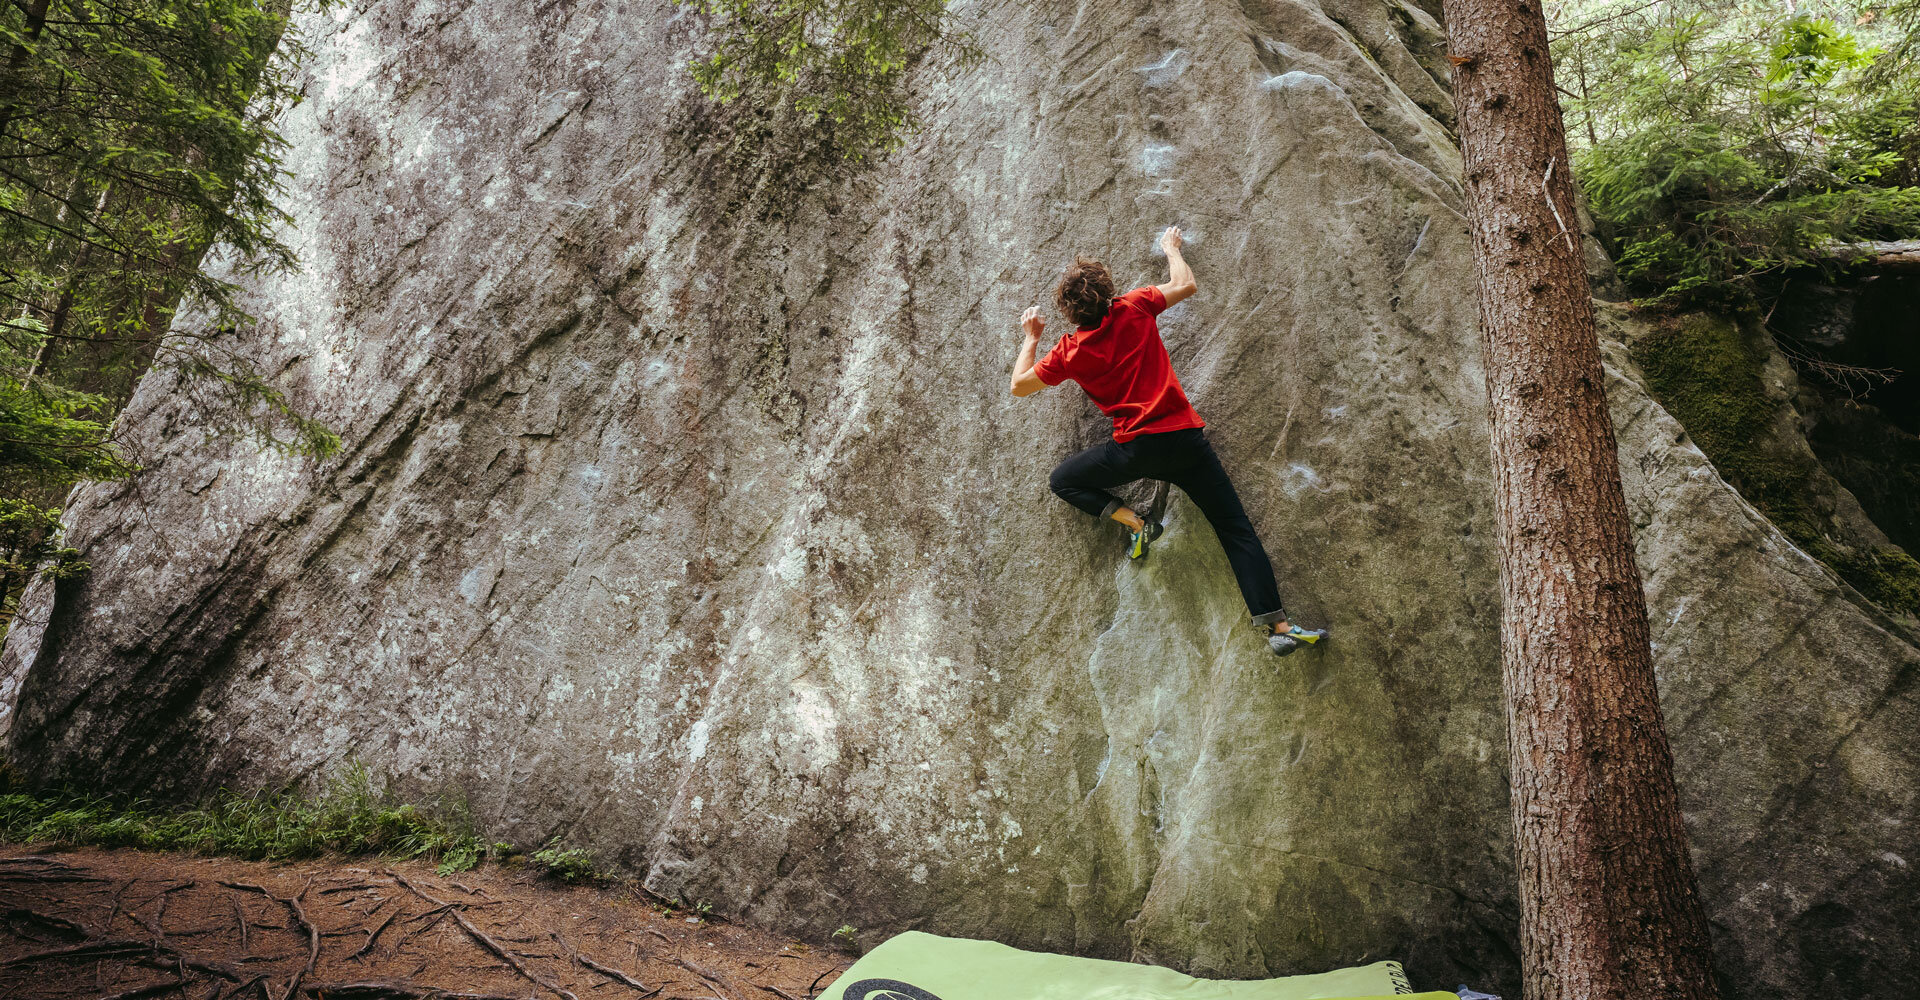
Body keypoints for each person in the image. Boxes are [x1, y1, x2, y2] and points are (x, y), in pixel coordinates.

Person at [1009, 226, 1328, 657]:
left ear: (1069, 313)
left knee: (1063, 480)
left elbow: (1020, 386)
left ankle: (1137, 523)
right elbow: (1185, 284)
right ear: (1107, 292)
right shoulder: (1133, 306)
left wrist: (1031, 336)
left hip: (1137, 450)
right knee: (1235, 530)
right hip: (1185, 441)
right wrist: (1170, 248)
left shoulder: (1069, 350)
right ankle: (1279, 627)